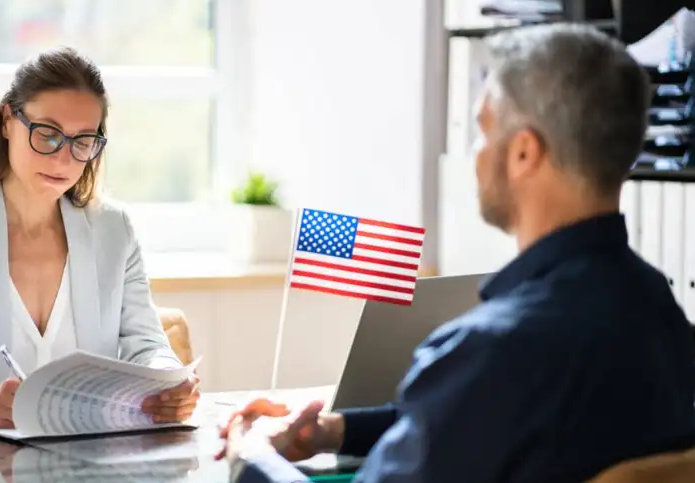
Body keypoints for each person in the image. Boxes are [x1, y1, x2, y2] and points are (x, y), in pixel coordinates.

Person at [218, 23, 695, 483]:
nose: (476, 153)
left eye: (484, 130)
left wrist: (251, 458)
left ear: (525, 152)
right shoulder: (661, 313)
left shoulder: (492, 351)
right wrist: (336, 430)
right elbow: (496, 424)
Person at [0, 47, 199, 428]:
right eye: (47, 135)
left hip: (89, 459)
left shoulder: (115, 229)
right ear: (8, 121)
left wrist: (170, 382)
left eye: (83, 142)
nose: (63, 159)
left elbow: (148, 345)